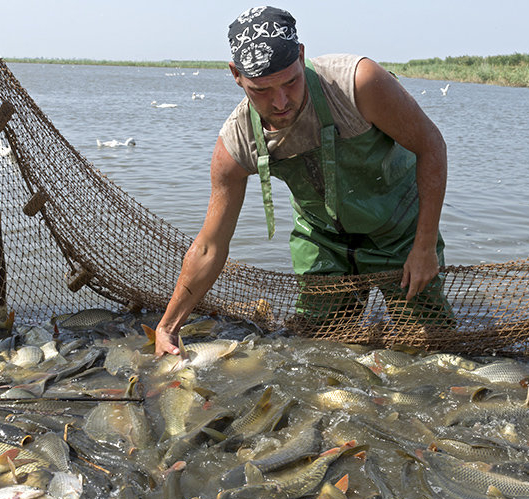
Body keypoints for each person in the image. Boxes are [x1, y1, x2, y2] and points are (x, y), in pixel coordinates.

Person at [155, 5, 453, 356]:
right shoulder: (236, 144)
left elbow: (431, 147)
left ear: (301, 55)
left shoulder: (358, 84)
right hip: (322, 241)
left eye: (290, 82)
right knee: (314, 351)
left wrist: (424, 247)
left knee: (428, 349)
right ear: (236, 75)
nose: (280, 102)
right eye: (261, 90)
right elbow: (209, 246)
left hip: (400, 231)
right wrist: (167, 327)